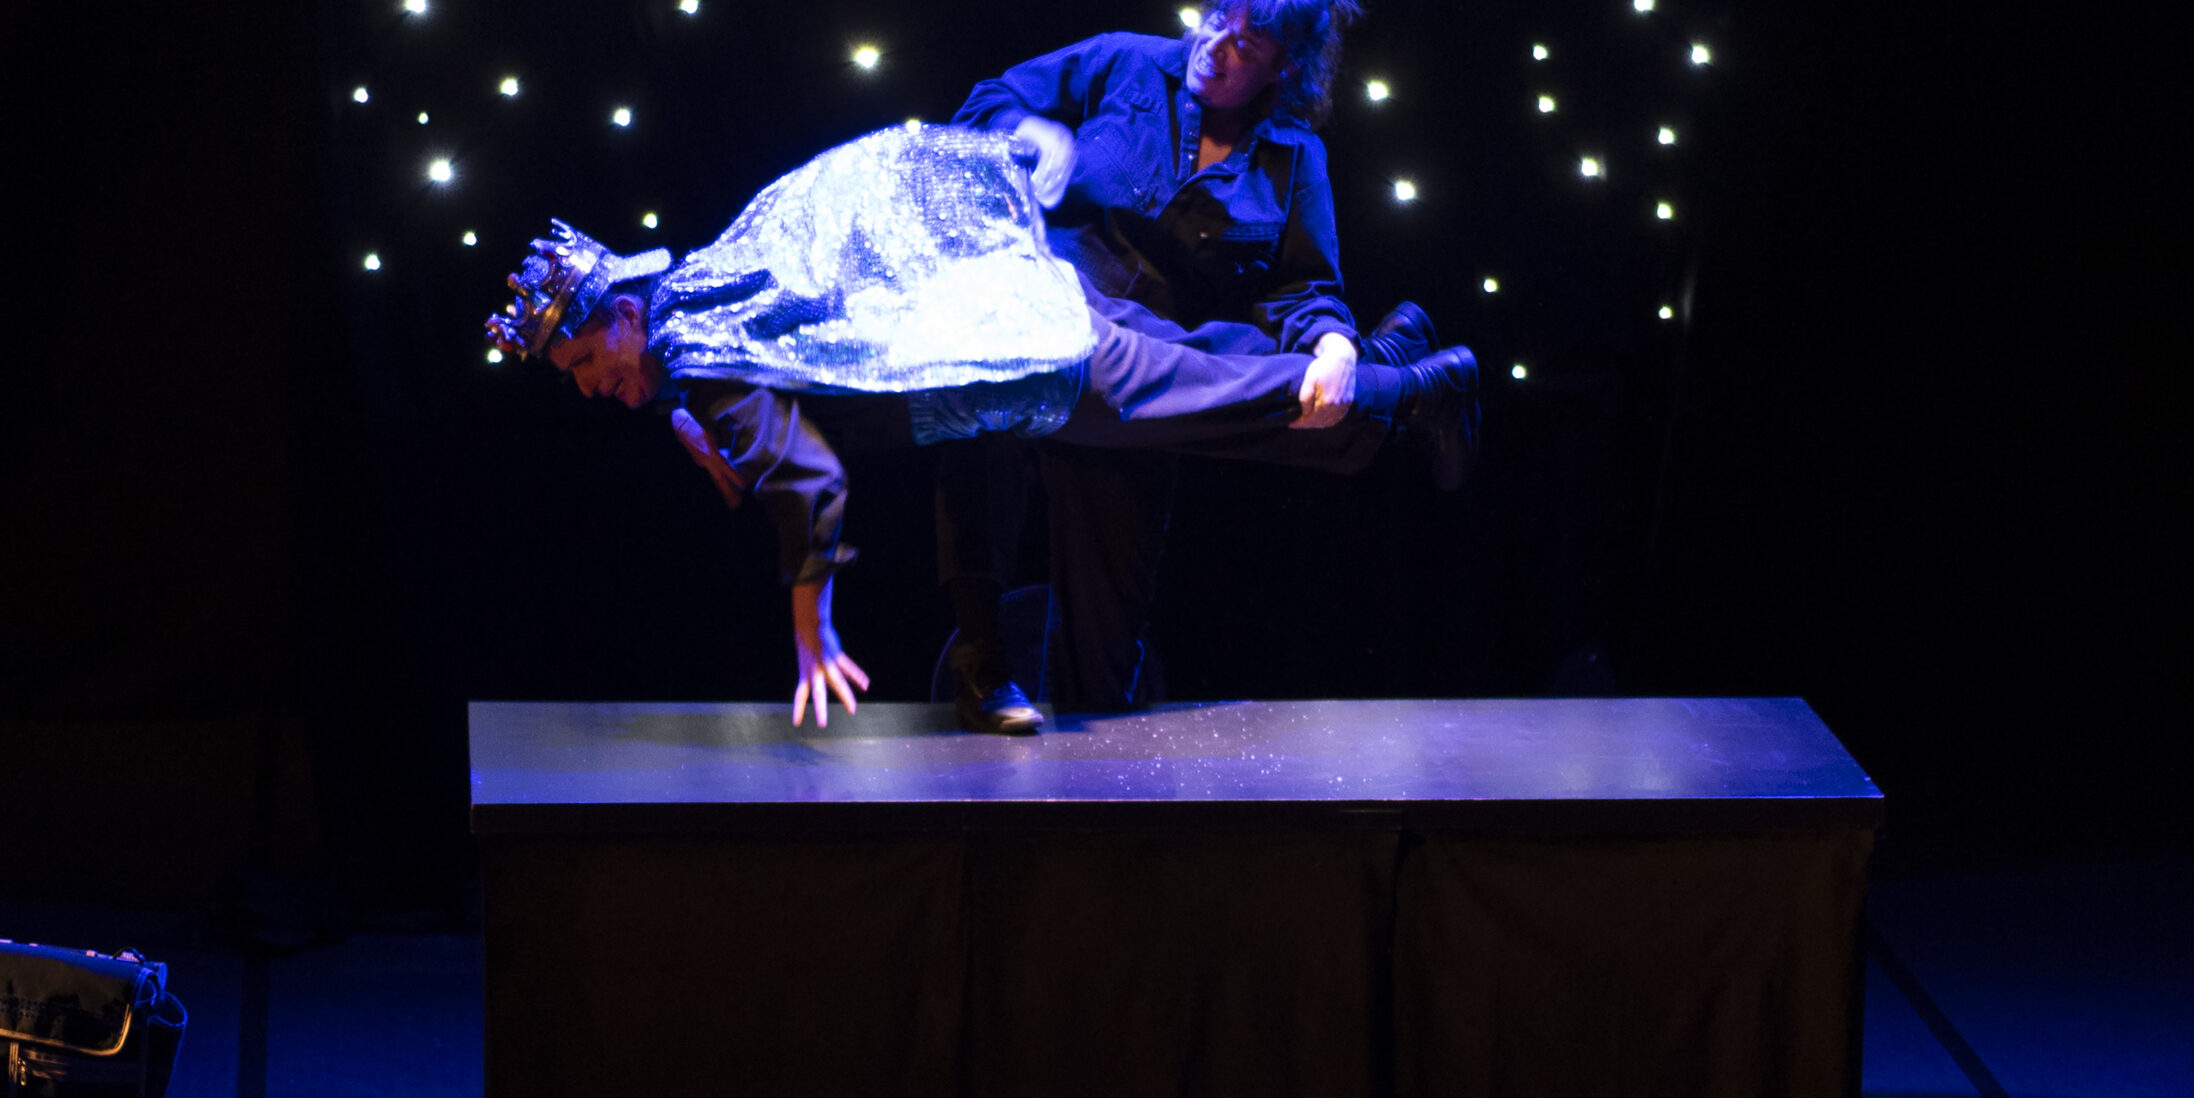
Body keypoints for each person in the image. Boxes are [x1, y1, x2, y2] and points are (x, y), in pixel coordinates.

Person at [486, 123, 1478, 727]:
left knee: (1223, 403)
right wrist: (686, 420)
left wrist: (810, 630)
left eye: (585, 365)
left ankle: (1418, 390)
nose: (591, 388)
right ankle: (1391, 356)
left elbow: (809, 483)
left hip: (1026, 361)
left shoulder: (702, 358)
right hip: (995, 329)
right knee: (1204, 363)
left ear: (623, 313)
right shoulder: (705, 283)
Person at [939, 0, 1461, 725]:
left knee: (1101, 676)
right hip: (1049, 316)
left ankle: (1382, 378)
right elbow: (988, 101)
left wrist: (1334, 345)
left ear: (1285, 68)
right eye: (1216, 21)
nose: (1215, 46)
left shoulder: (1294, 157)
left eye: (1246, 44)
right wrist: (1029, 132)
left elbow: (1305, 289)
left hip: (1154, 387)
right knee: (986, 392)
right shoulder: (1126, 62)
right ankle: (1405, 389)